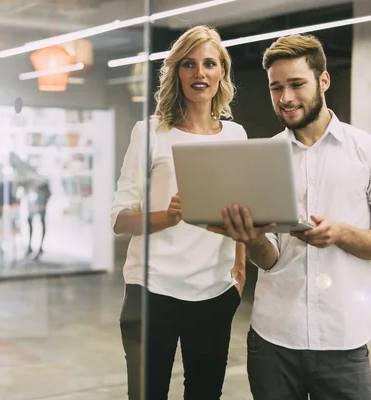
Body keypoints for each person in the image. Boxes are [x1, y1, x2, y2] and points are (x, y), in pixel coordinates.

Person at [209, 34, 371, 400]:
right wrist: (251, 237)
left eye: (296, 84)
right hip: (273, 342)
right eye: (276, 87)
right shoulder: (263, 158)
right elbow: (269, 260)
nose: (285, 98)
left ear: (323, 80)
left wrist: (341, 234)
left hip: (343, 344)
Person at [111, 25, 247, 400]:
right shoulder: (150, 132)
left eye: (209, 64)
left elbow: (241, 212)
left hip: (214, 291)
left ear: (222, 73)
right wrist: (166, 217)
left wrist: (238, 275)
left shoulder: (236, 137)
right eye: (189, 64)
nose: (199, 73)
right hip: (151, 290)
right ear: (177, 72)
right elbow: (119, 218)